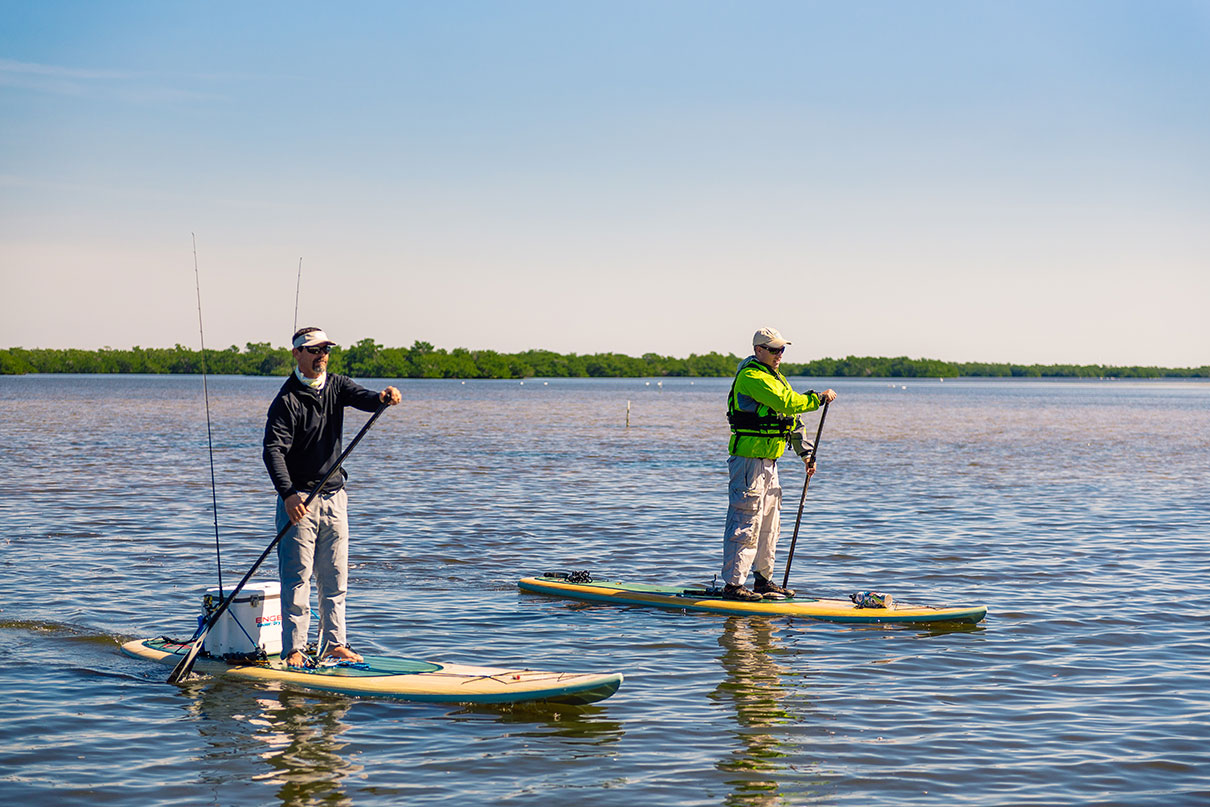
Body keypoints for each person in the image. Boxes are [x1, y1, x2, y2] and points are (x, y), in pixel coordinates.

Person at [262, 326, 402, 667]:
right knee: (297, 577)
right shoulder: (286, 401)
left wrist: (383, 398)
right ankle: (294, 649)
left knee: (335, 576)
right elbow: (272, 451)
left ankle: (334, 644)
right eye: (313, 350)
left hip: (335, 497)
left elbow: (365, 398)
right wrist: (288, 494)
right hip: (300, 502)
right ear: (297, 354)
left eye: (325, 349)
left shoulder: (337, 385)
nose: (321, 355)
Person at [721, 327, 836, 601]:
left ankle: (763, 581)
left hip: (770, 463)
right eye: (774, 350)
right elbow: (786, 401)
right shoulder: (751, 377)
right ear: (758, 350)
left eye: (782, 349)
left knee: (770, 525)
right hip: (748, 462)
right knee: (745, 522)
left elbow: (790, 417)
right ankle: (734, 587)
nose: (779, 355)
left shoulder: (776, 378)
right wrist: (817, 398)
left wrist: (806, 454)